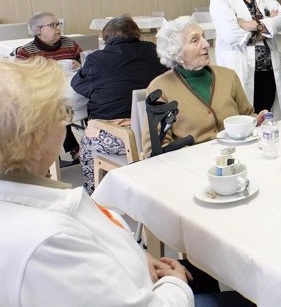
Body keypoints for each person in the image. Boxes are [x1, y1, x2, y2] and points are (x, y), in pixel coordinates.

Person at [0, 57, 254, 307]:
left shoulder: (30, 199)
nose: (66, 122)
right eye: (61, 114)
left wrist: (137, 256)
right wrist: (175, 283)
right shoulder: (47, 243)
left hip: (134, 277)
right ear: (32, 140)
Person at [70, 15, 167, 194]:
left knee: (87, 144)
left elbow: (77, 84)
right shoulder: (154, 51)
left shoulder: (97, 59)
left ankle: (94, 196)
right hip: (157, 131)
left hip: (120, 138)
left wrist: (100, 89)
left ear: (107, 38)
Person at [142, 16, 266, 155]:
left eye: (203, 37)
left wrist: (257, 121)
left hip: (237, 156)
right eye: (195, 40)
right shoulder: (160, 88)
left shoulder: (228, 76)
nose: (206, 44)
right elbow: (156, 149)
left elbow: (247, 114)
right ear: (176, 52)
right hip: (190, 167)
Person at [210, 0, 281, 115]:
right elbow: (230, 33)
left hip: (268, 69)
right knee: (246, 119)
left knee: (267, 117)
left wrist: (249, 24)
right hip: (240, 68)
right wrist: (267, 24)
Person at [15, 11, 83, 161]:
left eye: (58, 24)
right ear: (38, 30)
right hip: (46, 95)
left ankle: (91, 143)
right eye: (52, 25)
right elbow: (20, 79)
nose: (58, 28)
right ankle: (73, 148)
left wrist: (80, 64)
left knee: (96, 97)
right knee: (53, 107)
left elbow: (87, 65)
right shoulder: (26, 51)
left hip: (74, 89)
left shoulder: (70, 44)